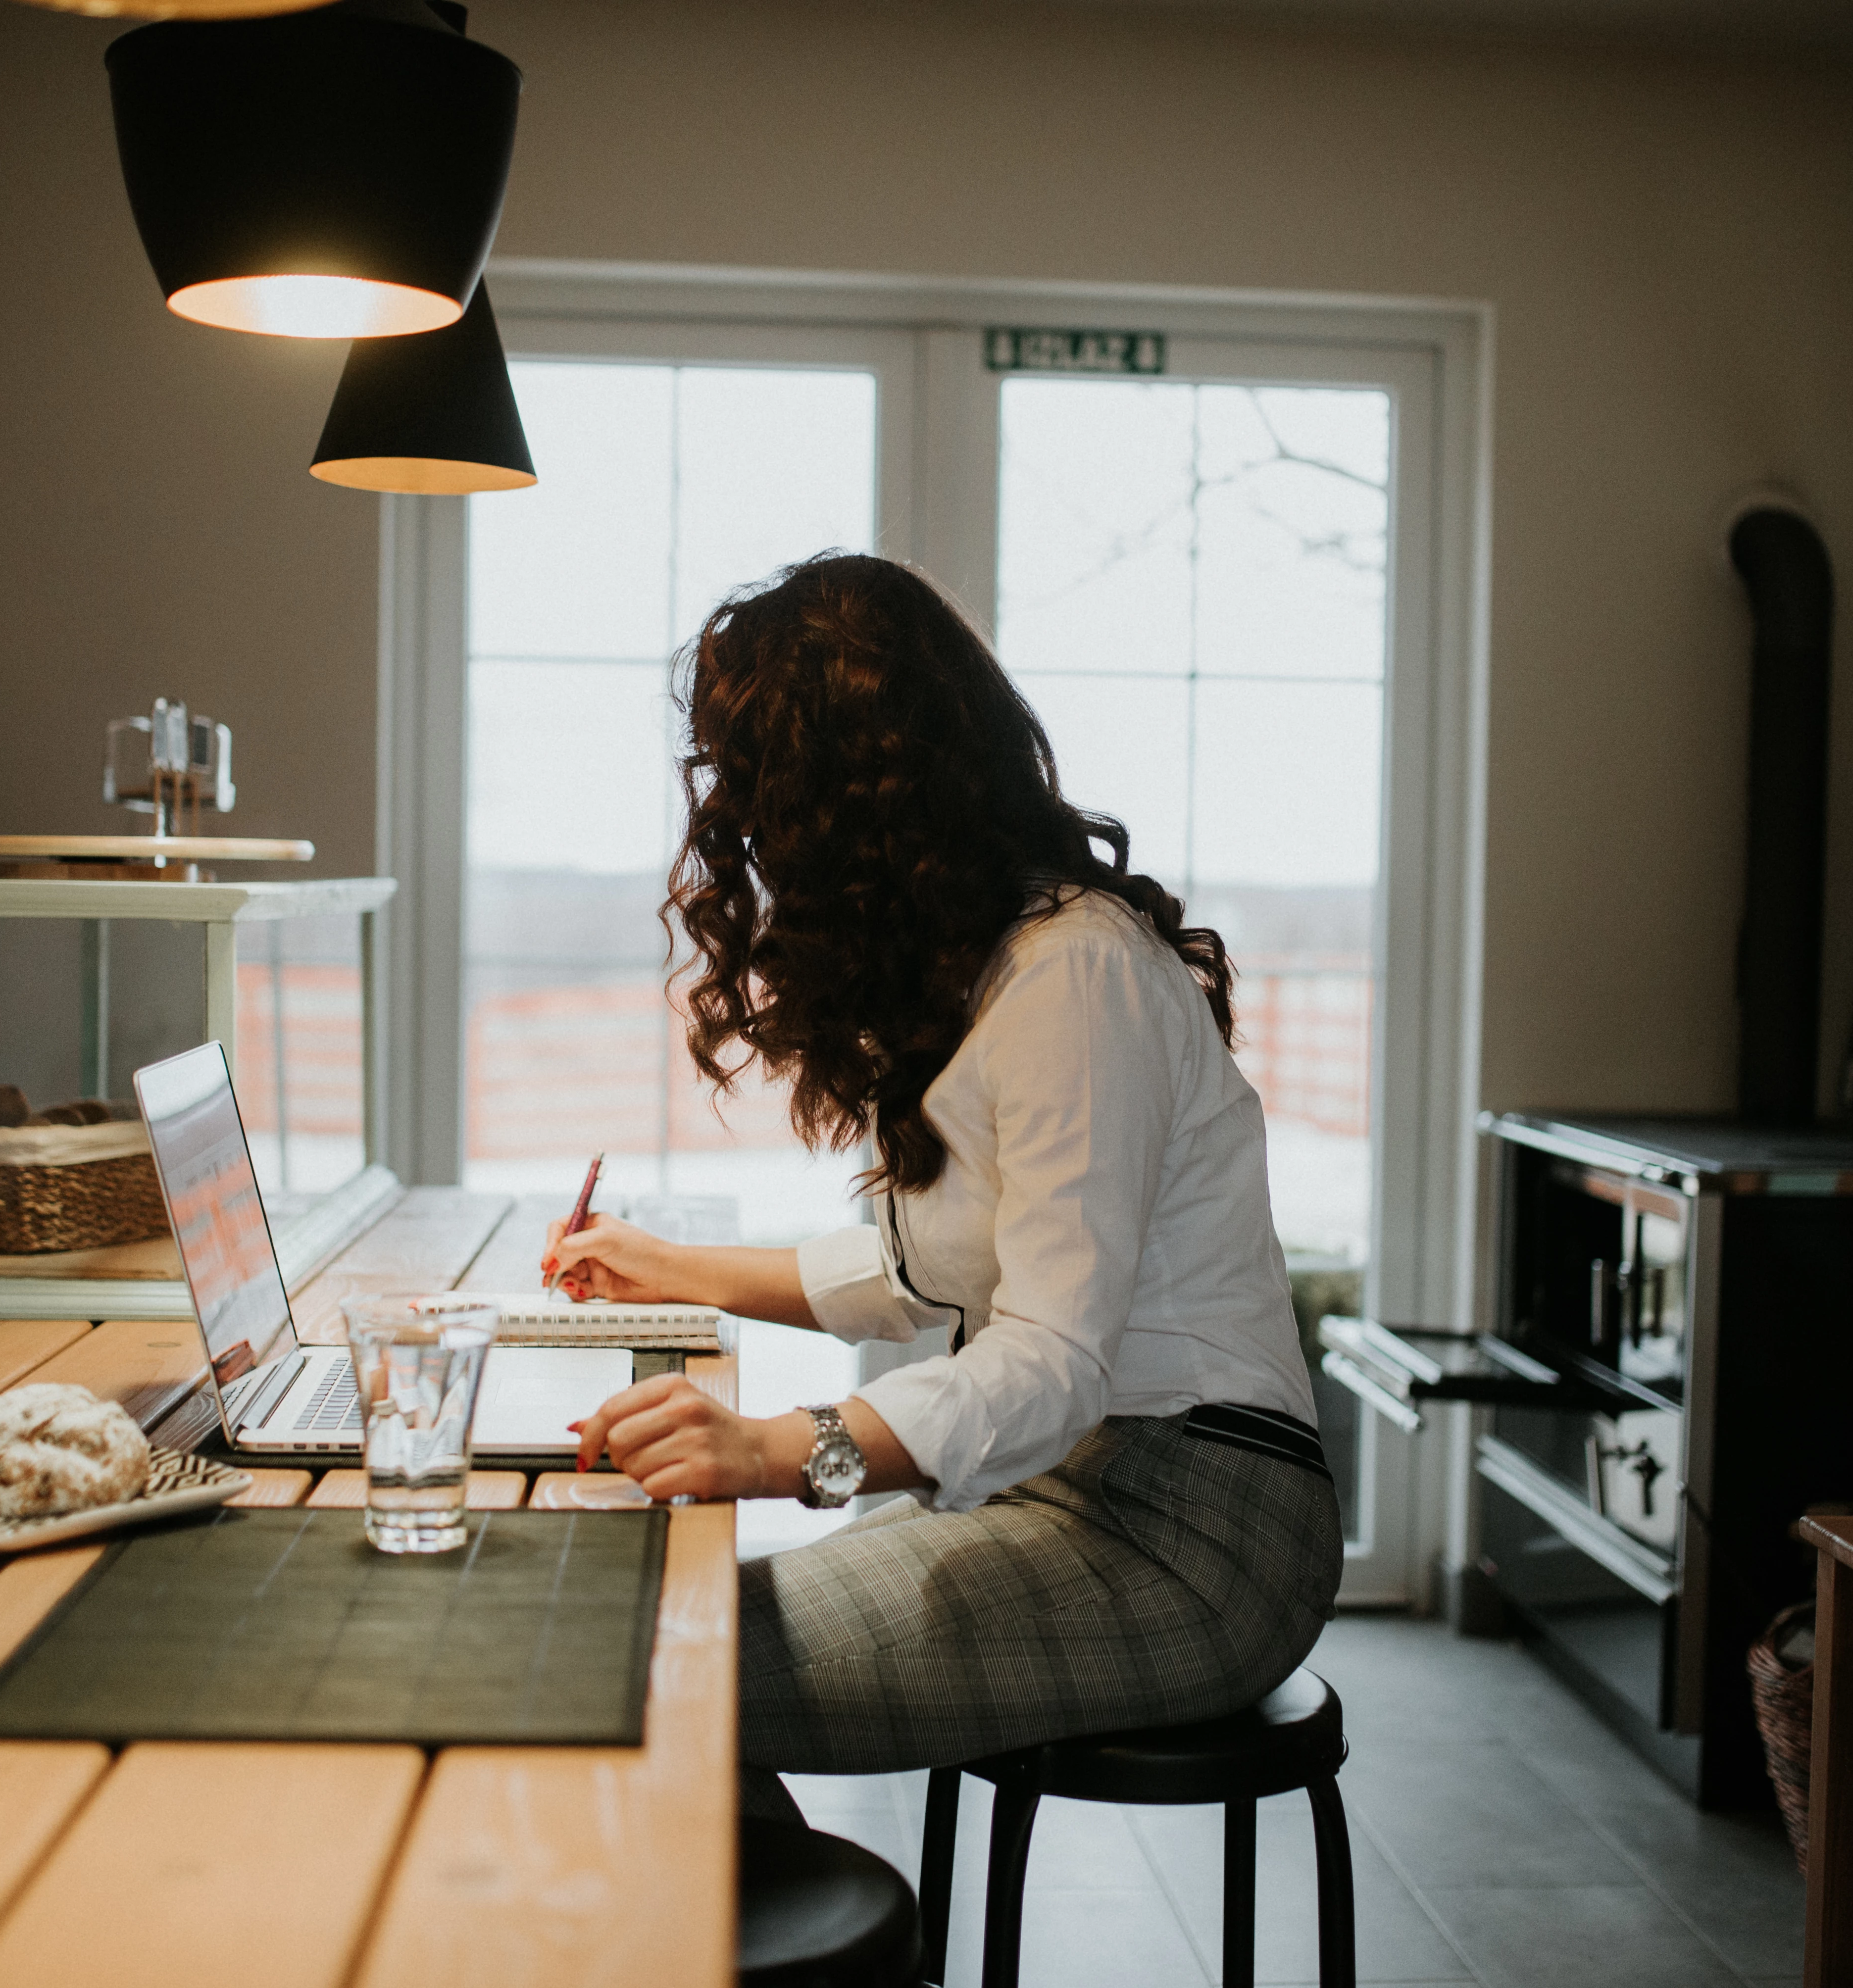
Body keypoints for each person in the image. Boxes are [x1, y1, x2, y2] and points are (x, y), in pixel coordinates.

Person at [549, 551, 1341, 1807]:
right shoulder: (1000, 966)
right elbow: (934, 1268)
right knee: (654, 1636)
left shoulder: (1072, 973)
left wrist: (776, 1449)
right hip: (1071, 1485)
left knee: (646, 1665)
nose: (751, 846)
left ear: (861, 803)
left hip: (1194, 1536)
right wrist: (670, 1268)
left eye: (768, 804)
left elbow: (1049, 1359)